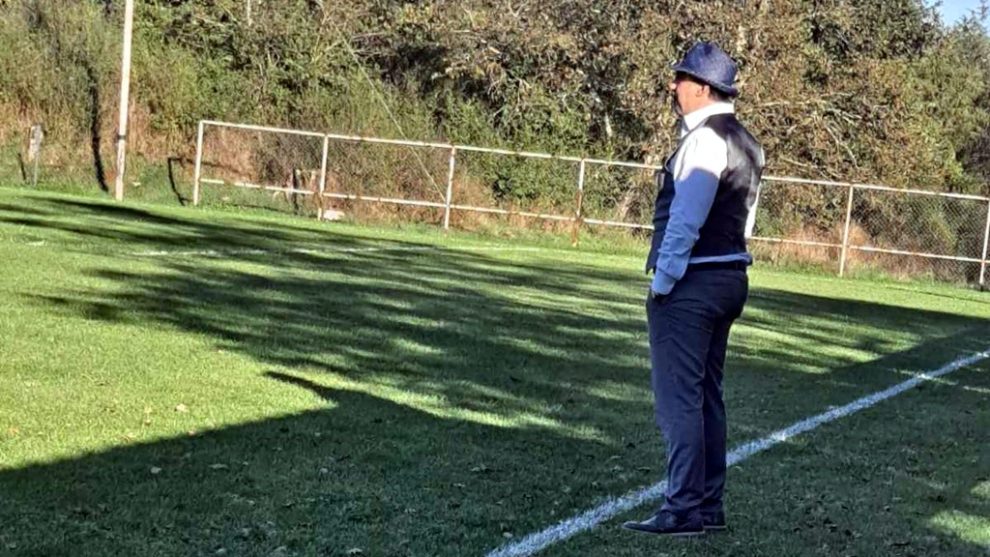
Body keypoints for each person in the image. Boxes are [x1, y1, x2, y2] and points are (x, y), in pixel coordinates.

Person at [622, 41, 764, 537]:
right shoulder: (748, 141)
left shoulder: (704, 141)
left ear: (703, 87)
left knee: (679, 398)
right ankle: (707, 504)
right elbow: (743, 221)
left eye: (681, 78)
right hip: (730, 276)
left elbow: (686, 220)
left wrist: (662, 283)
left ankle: (683, 508)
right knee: (707, 396)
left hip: (694, 282)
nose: (673, 86)